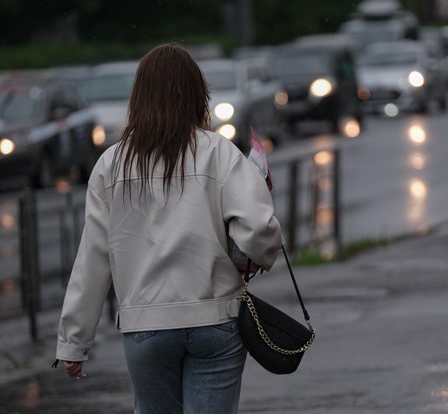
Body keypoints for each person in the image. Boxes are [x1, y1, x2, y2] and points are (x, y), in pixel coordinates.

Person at [54, 43, 283, 414]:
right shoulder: (220, 152)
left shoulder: (111, 164)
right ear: (197, 94)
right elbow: (258, 231)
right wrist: (263, 254)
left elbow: (93, 260)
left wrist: (73, 343)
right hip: (217, 320)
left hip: (146, 325)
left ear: (139, 97)